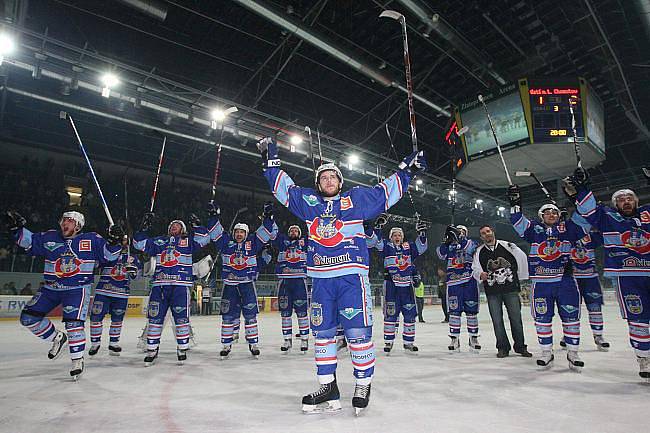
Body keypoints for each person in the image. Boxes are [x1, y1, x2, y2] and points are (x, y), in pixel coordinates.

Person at [258, 136, 426, 415]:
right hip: (321, 280)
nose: (328, 180)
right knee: (322, 334)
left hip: (351, 278)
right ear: (318, 184)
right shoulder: (308, 203)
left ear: (340, 181)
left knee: (357, 333)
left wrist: (407, 171)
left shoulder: (356, 200)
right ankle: (328, 386)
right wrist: (271, 162)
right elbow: (285, 190)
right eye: (323, 177)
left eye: (332, 176)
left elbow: (385, 193)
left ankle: (363, 384)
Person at [7, 210, 122, 379]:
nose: (64, 223)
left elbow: (109, 257)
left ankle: (77, 360)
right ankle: (57, 337)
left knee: (74, 324)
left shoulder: (91, 239)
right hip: (51, 288)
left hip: (77, 288)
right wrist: (16, 229)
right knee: (28, 318)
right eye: (63, 220)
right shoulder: (50, 237)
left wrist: (114, 240)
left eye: (69, 220)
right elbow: (28, 241)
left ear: (78, 225)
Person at [565, 169, 649, 380]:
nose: (626, 202)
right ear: (615, 204)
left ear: (636, 201)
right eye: (620, 200)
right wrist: (582, 189)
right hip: (628, 277)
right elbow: (588, 210)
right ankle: (644, 358)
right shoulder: (607, 218)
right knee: (638, 320)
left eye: (629, 198)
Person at [508, 185, 588, 371]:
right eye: (547, 213)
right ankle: (546, 352)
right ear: (541, 216)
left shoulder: (568, 228)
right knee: (543, 318)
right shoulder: (534, 230)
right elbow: (517, 220)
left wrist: (574, 202)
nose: (551, 214)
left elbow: (586, 220)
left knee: (571, 317)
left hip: (565, 281)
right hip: (541, 282)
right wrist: (515, 203)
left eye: (554, 212)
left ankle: (573, 352)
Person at [133, 213, 210, 366]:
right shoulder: (159, 241)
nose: (174, 226)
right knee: (155, 319)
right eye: (172, 225)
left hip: (181, 286)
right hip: (160, 286)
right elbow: (138, 244)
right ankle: (152, 349)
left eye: (178, 225)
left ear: (183, 229)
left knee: (181, 319)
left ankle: (182, 348)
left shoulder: (188, 242)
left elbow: (204, 239)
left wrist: (198, 226)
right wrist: (144, 228)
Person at [207, 202, 278, 359]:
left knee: (250, 315)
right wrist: (213, 217)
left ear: (246, 234)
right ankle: (226, 345)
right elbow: (215, 232)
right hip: (230, 285)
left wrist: (268, 217)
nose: (239, 234)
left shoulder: (253, 243)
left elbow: (265, 231)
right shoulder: (225, 243)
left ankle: (253, 344)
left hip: (247, 284)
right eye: (237, 231)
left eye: (242, 232)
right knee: (227, 316)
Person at [368, 217, 428, 354]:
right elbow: (375, 243)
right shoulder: (387, 246)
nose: (397, 237)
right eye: (394, 235)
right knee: (390, 315)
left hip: (407, 286)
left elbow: (422, 247)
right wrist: (377, 228)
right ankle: (389, 342)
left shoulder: (409, 247)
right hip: (391, 286)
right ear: (391, 237)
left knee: (409, 314)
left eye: (399, 235)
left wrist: (422, 233)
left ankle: (409, 342)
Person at [471, 224, 532, 358]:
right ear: (481, 237)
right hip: (492, 291)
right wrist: (480, 274)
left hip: (510, 289)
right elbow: (475, 268)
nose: (486, 234)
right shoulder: (479, 251)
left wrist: (521, 277)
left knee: (516, 319)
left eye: (488, 231)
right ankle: (503, 347)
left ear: (493, 232)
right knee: (497, 320)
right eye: (483, 233)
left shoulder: (508, 246)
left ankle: (521, 347)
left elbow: (521, 259)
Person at [89, 235, 140, 356]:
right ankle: (95, 343)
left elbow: (138, 277)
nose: (124, 243)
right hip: (103, 291)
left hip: (121, 293)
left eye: (126, 241)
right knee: (96, 317)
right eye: (122, 240)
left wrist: (133, 272)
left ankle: (113, 342)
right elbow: (95, 264)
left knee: (117, 320)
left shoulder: (133, 258)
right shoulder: (107, 252)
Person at [563, 227, 610, 351]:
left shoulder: (591, 236)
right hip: (572, 278)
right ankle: (567, 335)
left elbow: (604, 232)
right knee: (571, 310)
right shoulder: (565, 234)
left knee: (595, 308)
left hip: (591, 278)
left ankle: (598, 336)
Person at [436, 225, 481, 352]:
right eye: (457, 232)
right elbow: (440, 254)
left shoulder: (472, 242)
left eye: (461, 232)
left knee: (471, 311)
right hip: (453, 282)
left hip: (469, 281)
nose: (459, 233)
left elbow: (471, 249)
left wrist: (460, 238)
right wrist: (446, 241)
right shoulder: (449, 246)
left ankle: (473, 337)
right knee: (454, 312)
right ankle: (454, 338)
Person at [272, 224, 310, 353]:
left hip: (299, 281)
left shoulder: (304, 242)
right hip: (284, 281)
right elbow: (273, 234)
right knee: (285, 313)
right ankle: (287, 339)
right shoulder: (282, 242)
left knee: (302, 312)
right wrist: (269, 219)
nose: (293, 232)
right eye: (291, 230)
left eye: (296, 230)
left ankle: (304, 338)